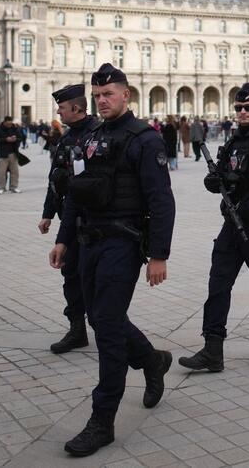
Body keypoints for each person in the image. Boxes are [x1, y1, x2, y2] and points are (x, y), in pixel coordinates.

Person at [51, 64, 175, 457]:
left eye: (109, 94)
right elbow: (75, 193)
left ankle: (102, 421)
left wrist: (159, 255)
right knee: (102, 317)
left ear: (126, 96)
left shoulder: (145, 140)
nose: (102, 101)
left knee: (105, 329)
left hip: (123, 244)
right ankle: (152, 361)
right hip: (88, 242)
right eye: (98, 95)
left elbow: (161, 201)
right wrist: (63, 240)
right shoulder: (90, 139)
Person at [181, 83, 249, 374]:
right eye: (239, 108)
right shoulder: (231, 142)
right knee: (218, 284)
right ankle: (212, 349)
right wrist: (214, 183)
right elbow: (220, 178)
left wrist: (243, 208)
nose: (243, 112)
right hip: (231, 224)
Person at [40, 84, 102, 354]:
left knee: (94, 278)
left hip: (93, 218)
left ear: (76, 108)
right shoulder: (66, 138)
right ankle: (77, 329)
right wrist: (47, 213)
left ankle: (105, 327)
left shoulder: (97, 134)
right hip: (69, 215)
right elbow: (56, 179)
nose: (58, 112)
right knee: (70, 274)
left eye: (62, 107)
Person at [0, 116, 23, 195]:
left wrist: (15, 139)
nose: (9, 125)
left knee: (15, 172)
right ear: (4, 122)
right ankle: (1, 188)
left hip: (13, 153)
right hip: (3, 154)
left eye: (11, 123)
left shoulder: (14, 128)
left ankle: (14, 187)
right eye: (8, 124)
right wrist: (6, 139)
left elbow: (20, 138)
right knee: (2, 172)